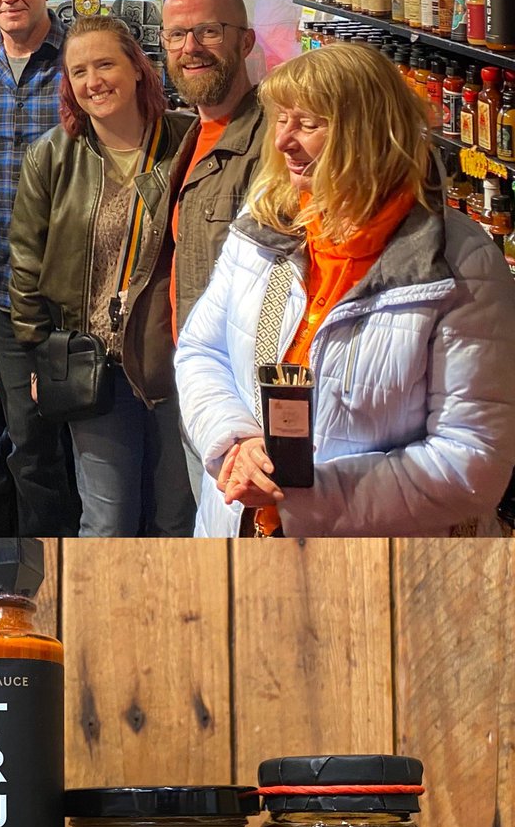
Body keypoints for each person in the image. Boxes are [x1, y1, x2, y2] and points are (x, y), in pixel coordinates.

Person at [176, 42, 515, 537]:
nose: (283, 142)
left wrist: (303, 495)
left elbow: (472, 459)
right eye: (280, 119)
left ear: (372, 134)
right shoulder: (265, 228)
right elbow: (201, 352)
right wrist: (235, 445)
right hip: (241, 530)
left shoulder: (458, 265)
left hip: (381, 569)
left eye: (308, 124)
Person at [8, 17, 193, 536]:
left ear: (138, 67)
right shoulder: (52, 154)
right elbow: (24, 263)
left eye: (105, 64)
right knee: (108, 520)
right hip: (96, 367)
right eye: (79, 71)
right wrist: (42, 352)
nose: (94, 81)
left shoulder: (189, 142)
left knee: (179, 516)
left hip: (175, 364)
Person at [0, 0, 79, 535]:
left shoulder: (81, 62)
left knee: (92, 448)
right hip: (7, 297)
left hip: (81, 292)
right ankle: (48, 569)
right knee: (30, 447)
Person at [160, 0, 268, 498]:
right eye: (177, 35)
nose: (191, 48)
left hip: (249, 401)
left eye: (207, 31)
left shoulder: (272, 142)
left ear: (246, 42)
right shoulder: (184, 138)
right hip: (201, 382)